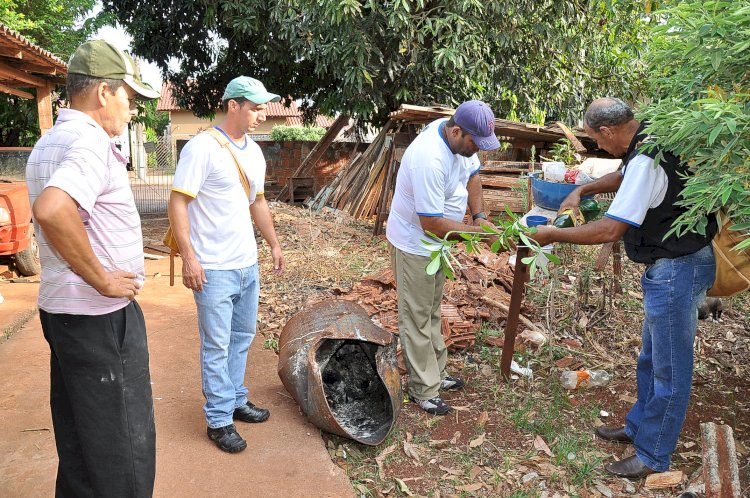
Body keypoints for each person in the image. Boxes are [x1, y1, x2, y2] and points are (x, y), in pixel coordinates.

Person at [532, 97, 717, 478]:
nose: (598, 147)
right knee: (651, 359)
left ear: (608, 130)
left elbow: (612, 228)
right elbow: (623, 175)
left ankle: (652, 455)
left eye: (596, 140)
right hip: (670, 266)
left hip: (677, 269)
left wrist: (555, 233)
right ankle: (638, 428)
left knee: (669, 368)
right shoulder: (646, 139)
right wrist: (584, 190)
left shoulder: (647, 157)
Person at [26, 40, 160, 496]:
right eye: (129, 96)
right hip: (98, 316)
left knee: (84, 440)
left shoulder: (50, 141)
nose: (132, 108)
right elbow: (52, 209)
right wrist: (102, 278)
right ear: (104, 92)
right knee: (124, 446)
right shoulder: (89, 142)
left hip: (65, 313)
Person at [168, 76, 285, 453]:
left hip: (246, 265)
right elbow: (178, 203)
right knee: (216, 345)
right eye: (254, 107)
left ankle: (235, 398)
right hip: (213, 268)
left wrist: (273, 244)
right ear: (232, 105)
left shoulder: (254, 151)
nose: (261, 115)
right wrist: (189, 257)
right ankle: (218, 420)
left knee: (241, 338)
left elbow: (258, 203)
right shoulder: (202, 148)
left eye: (263, 107)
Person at [386, 100, 501, 415]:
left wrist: (478, 216)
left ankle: (437, 373)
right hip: (416, 243)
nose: (477, 150)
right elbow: (432, 224)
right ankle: (423, 389)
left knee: (432, 310)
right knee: (417, 317)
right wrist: (481, 236)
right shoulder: (429, 158)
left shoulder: (460, 142)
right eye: (474, 143)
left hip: (438, 245)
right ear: (456, 130)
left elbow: (473, 174)